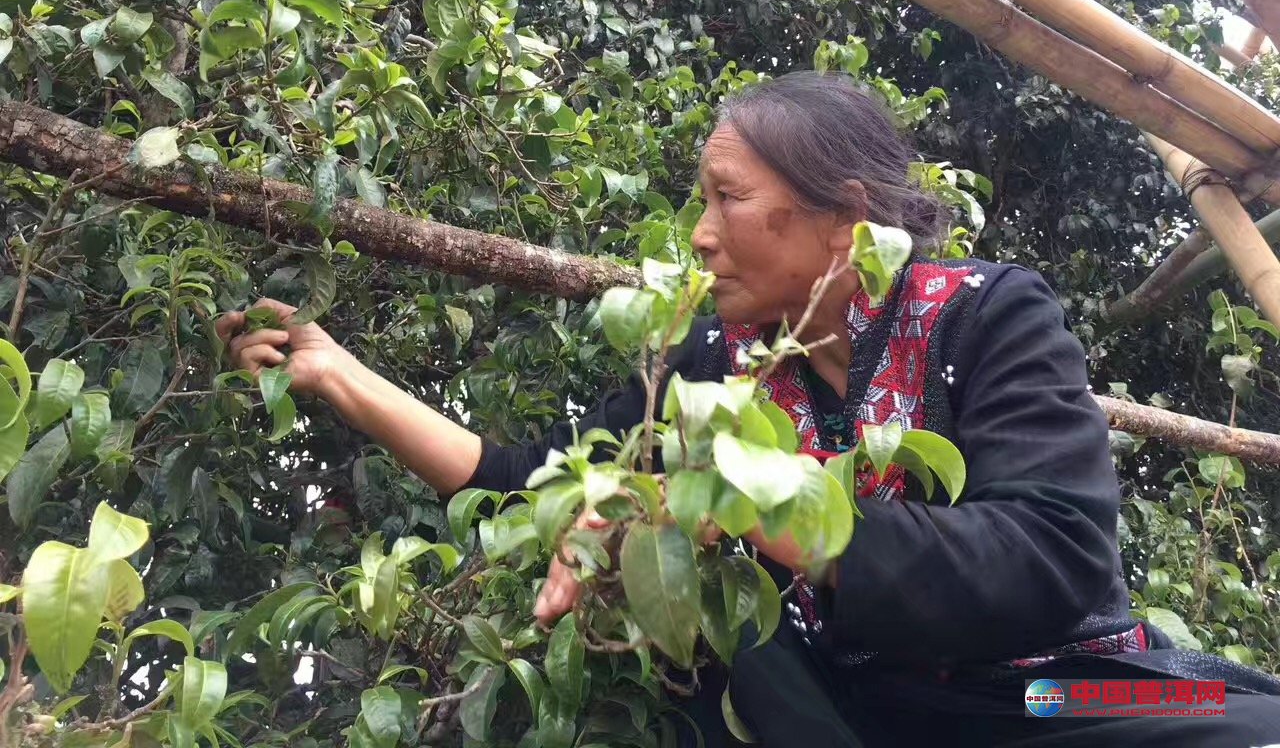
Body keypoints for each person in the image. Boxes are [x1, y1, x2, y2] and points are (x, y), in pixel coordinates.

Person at [218, 72, 1280, 747]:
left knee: (1232, 730)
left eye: (728, 197)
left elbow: (1046, 556)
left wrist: (733, 507)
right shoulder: (707, 362)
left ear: (840, 219)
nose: (702, 234)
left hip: (1051, 701)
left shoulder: (982, 318)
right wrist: (340, 378)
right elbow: (539, 479)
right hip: (848, 717)